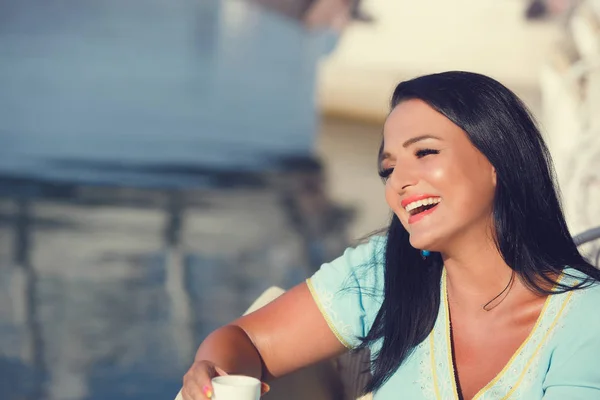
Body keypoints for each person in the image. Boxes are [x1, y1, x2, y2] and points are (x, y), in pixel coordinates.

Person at [181, 71, 600, 400]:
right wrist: (212, 376)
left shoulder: (584, 318)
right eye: (389, 168)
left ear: (497, 161)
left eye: (425, 152)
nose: (400, 181)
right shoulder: (386, 272)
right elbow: (246, 340)